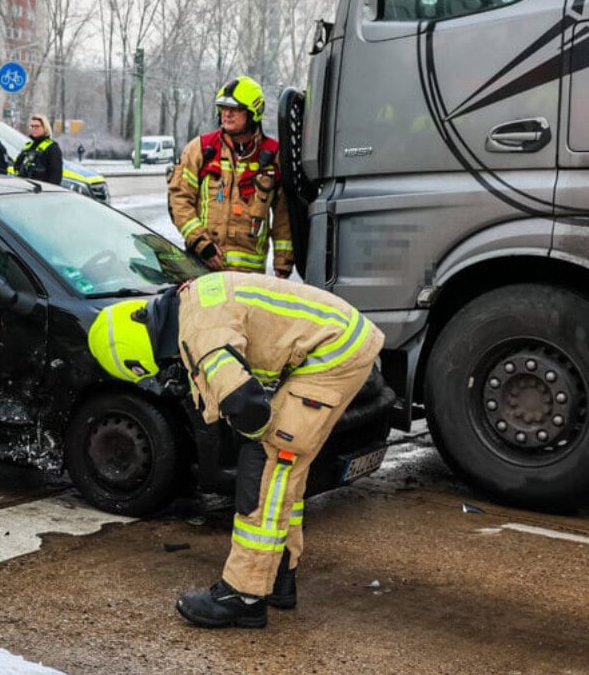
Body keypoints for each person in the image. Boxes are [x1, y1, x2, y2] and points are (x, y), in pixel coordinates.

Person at [87, 271, 384, 629]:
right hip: (342, 341)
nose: (170, 369)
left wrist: (256, 440)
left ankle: (243, 595)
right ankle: (277, 577)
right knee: (286, 472)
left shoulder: (198, 332)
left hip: (334, 353)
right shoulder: (192, 303)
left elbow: (246, 404)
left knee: (267, 467)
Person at [168, 77, 293, 277]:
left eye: (235, 109)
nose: (226, 114)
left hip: (249, 278)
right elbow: (179, 200)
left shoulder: (274, 156)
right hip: (203, 269)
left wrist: (283, 266)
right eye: (223, 107)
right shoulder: (200, 149)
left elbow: (284, 217)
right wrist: (202, 244)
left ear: (253, 112)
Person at [14, 114, 63, 186]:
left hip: (43, 192)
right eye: (32, 126)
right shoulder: (28, 146)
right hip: (24, 188)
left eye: (37, 126)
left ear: (45, 127)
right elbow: (17, 166)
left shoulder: (52, 148)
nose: (33, 129)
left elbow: (55, 177)